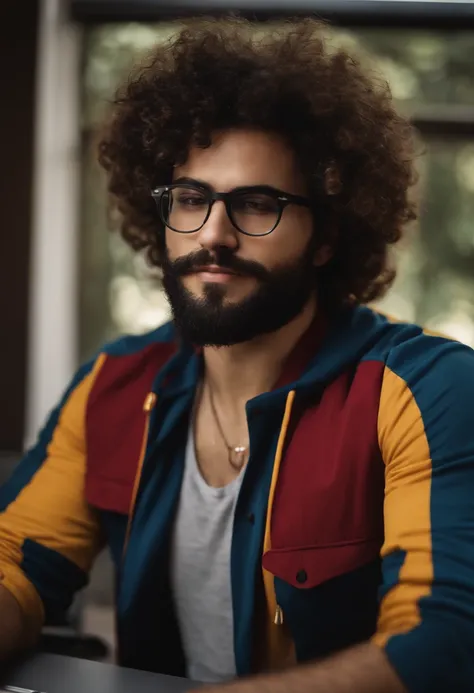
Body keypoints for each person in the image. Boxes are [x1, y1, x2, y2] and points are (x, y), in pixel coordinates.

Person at [1, 16, 474, 693]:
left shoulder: (427, 390)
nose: (214, 234)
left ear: (326, 237)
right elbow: (12, 563)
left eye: (257, 204)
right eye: (191, 198)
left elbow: (443, 646)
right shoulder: (112, 384)